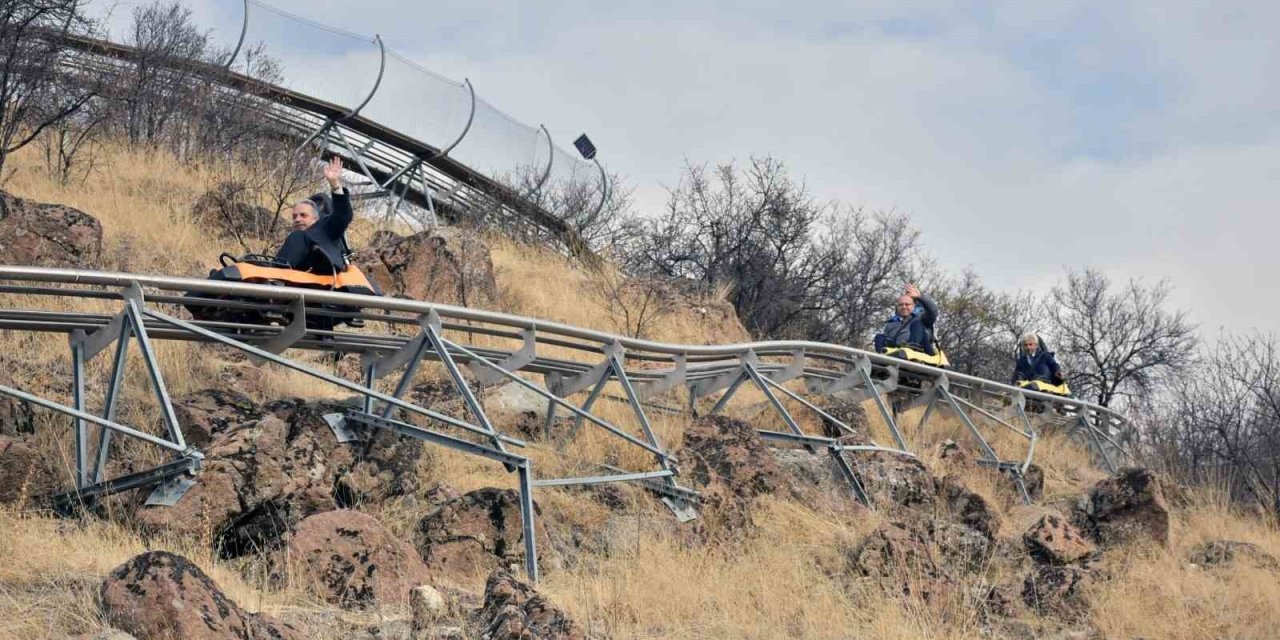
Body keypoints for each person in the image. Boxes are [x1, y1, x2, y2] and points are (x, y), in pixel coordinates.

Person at [275, 156, 352, 275]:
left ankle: (275, 274)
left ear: (316, 218)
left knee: (297, 236)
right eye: (294, 216)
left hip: (327, 270)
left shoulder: (327, 227)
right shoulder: (294, 239)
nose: (297, 219)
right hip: (300, 275)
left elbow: (343, 215)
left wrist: (335, 184)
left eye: (303, 215)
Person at [874, 283, 939, 355]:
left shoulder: (922, 318)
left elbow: (933, 311)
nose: (904, 307)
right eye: (900, 305)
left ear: (914, 306)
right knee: (879, 337)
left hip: (920, 353)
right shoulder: (891, 324)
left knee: (917, 324)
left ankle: (912, 350)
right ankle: (882, 357)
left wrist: (919, 297)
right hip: (898, 352)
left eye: (907, 304)